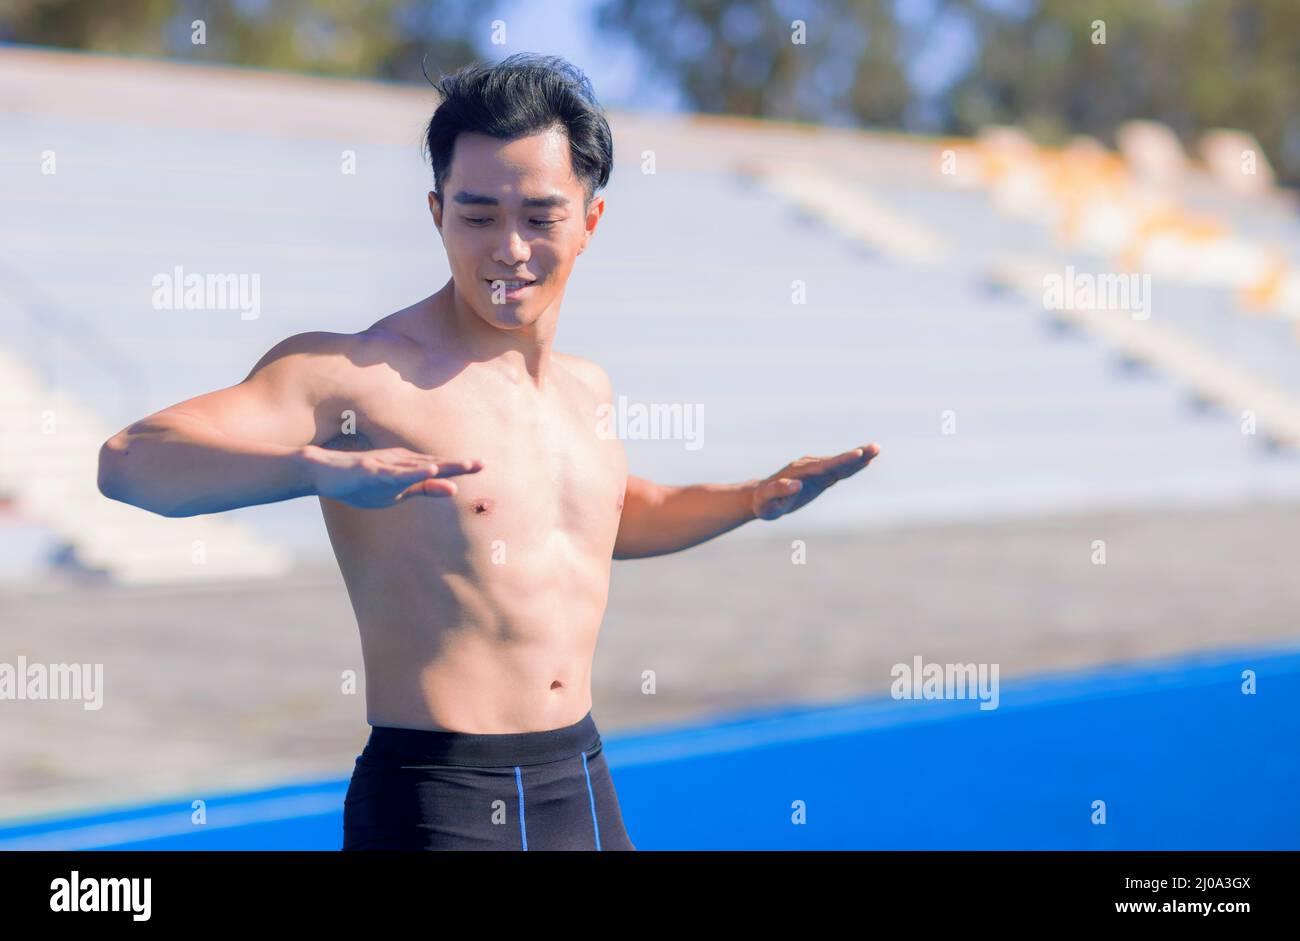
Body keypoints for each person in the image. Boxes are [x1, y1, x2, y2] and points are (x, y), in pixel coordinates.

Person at [97, 53, 879, 850]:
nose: (509, 248)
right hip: (439, 798)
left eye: (539, 216)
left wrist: (752, 499)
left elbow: (610, 512)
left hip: (580, 779)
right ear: (437, 213)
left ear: (590, 222)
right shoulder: (354, 376)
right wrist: (311, 467)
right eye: (477, 215)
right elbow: (130, 459)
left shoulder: (586, 388)